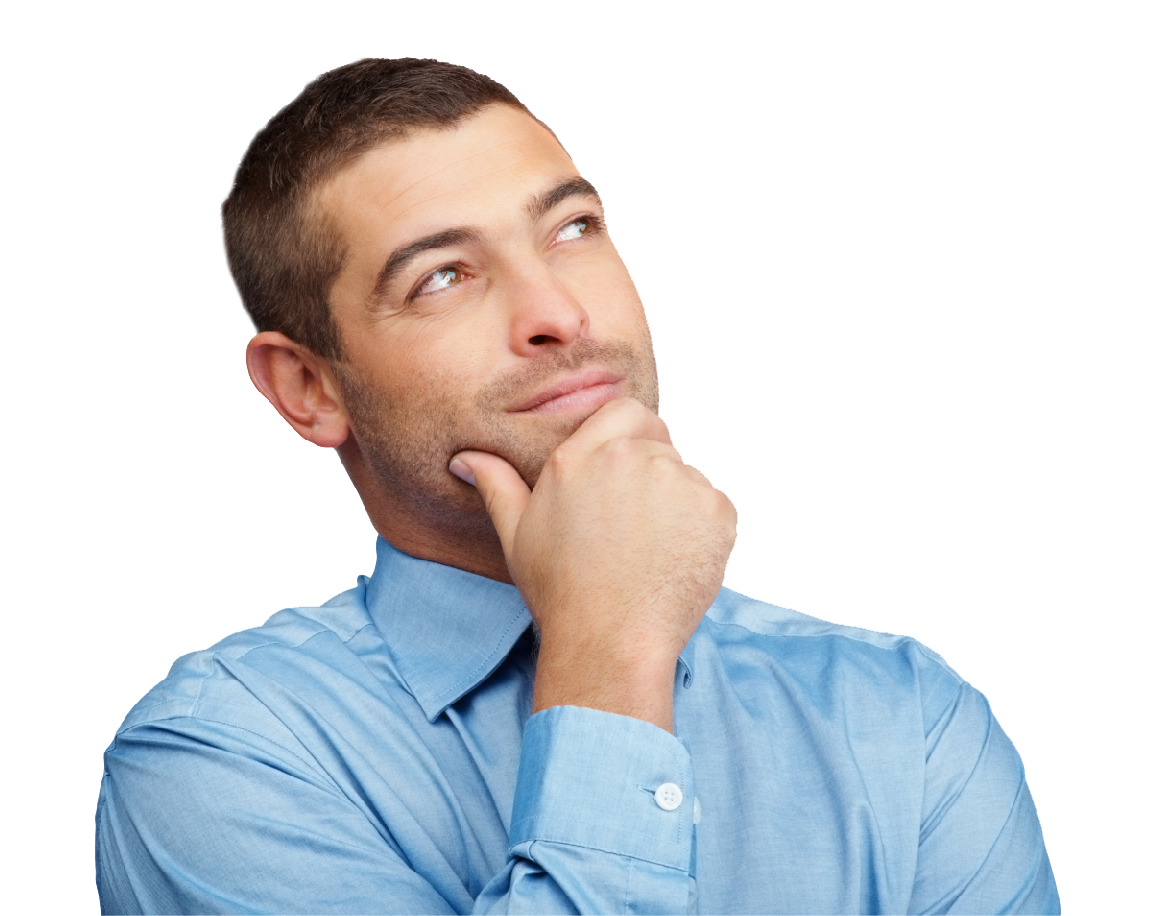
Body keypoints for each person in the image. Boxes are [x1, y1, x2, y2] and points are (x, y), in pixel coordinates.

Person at [95, 57, 1059, 915]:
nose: (557, 311)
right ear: (309, 388)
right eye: (442, 277)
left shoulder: (906, 719)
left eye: (572, 227)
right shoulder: (219, 757)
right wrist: (611, 654)